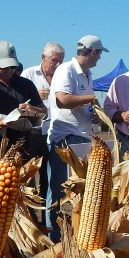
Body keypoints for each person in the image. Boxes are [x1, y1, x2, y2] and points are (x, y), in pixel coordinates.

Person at [46, 35, 107, 241]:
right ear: (93, 52)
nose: (99, 59)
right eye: (99, 54)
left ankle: (75, 233)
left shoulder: (87, 74)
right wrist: (89, 98)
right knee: (61, 190)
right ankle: (55, 236)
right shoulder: (67, 70)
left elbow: (78, 105)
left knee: (82, 190)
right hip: (66, 137)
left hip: (82, 137)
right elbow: (62, 100)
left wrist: (93, 115)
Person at [0, 41, 45, 163]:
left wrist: (33, 110)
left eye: (13, 67)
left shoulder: (26, 85)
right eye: (5, 67)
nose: (9, 71)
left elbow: (44, 111)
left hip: (22, 152)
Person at [21, 42, 65, 201]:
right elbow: (19, 103)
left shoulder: (63, 77)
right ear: (43, 57)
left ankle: (49, 212)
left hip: (54, 133)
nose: (58, 64)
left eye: (61, 60)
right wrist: (36, 97)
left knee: (51, 175)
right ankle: (30, 214)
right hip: (32, 132)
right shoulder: (28, 75)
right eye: (54, 60)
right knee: (28, 174)